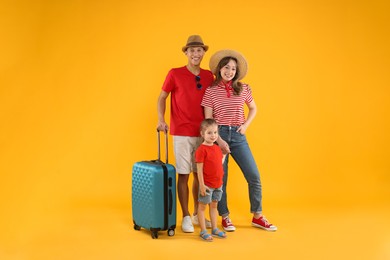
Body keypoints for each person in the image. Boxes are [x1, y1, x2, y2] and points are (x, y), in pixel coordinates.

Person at [201, 49, 277, 232]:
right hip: (217, 138)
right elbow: (208, 120)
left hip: (238, 136)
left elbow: (253, 108)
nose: (230, 71)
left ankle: (257, 216)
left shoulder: (243, 88)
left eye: (233, 69)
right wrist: (219, 140)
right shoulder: (210, 91)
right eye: (226, 67)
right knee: (221, 180)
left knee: (254, 176)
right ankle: (225, 217)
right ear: (220, 69)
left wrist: (245, 126)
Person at [157, 35, 214, 233]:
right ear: (186, 53)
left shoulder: (209, 76)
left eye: (199, 50)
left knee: (200, 176)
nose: (196, 54)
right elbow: (162, 98)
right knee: (183, 174)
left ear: (203, 52)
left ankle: (199, 215)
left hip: (204, 133)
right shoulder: (174, 73)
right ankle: (186, 216)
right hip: (181, 131)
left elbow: (214, 101)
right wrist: (161, 120)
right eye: (192, 50)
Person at [195, 119, 227, 241]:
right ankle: (203, 231)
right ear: (202, 134)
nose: (213, 135)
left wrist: (224, 156)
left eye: (215, 132)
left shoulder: (217, 148)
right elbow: (199, 169)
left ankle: (214, 228)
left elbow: (218, 164)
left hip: (218, 184)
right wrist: (202, 185)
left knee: (214, 206)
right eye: (209, 133)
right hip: (207, 185)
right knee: (202, 207)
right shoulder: (201, 150)